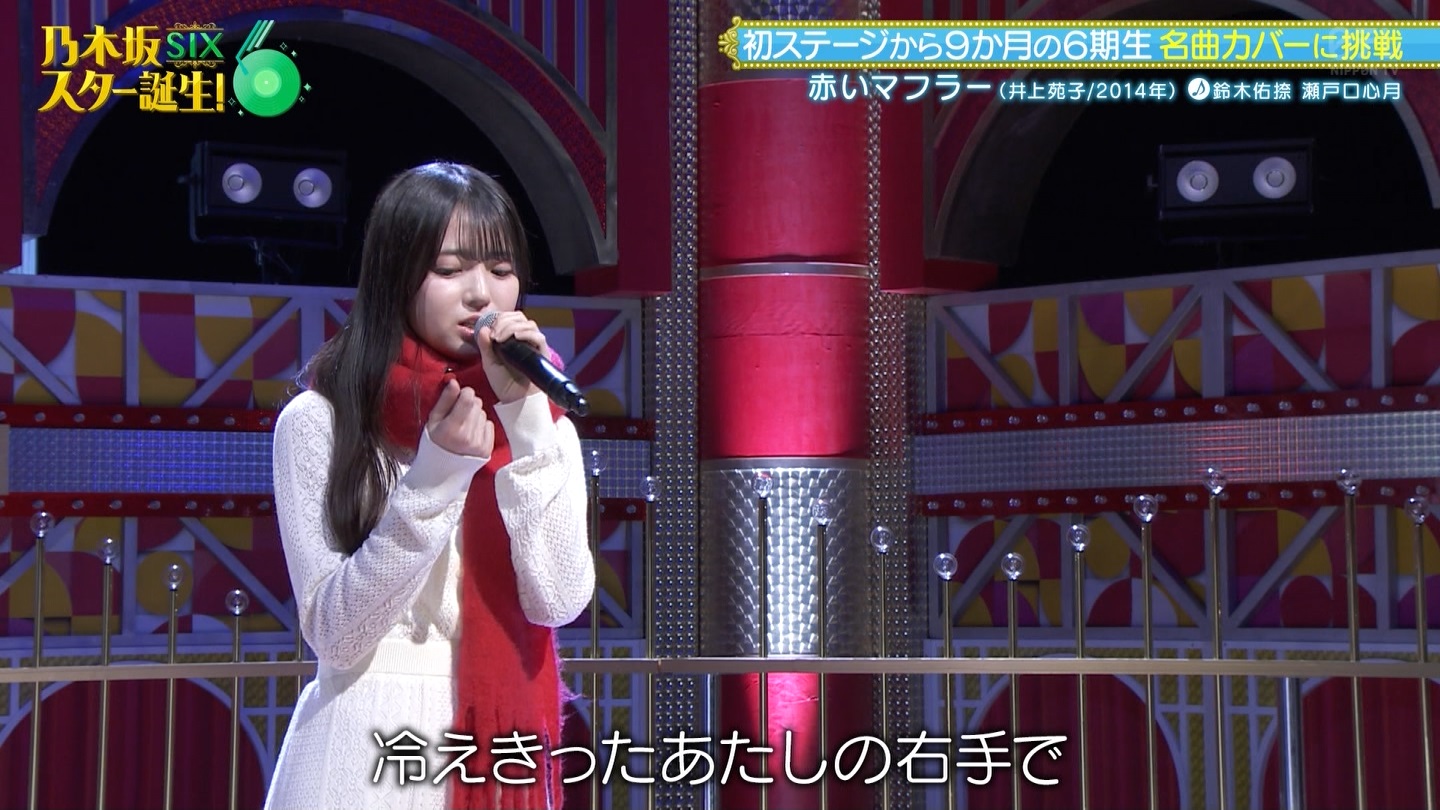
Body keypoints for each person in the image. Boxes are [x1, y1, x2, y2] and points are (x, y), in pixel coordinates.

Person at [263, 162, 595, 810]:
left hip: (503, 752)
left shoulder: (544, 424)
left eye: (501, 269)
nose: (482, 294)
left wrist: (527, 420)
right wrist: (435, 476)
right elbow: (335, 635)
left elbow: (557, 601)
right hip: (365, 755)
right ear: (396, 276)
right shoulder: (322, 421)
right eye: (449, 270)